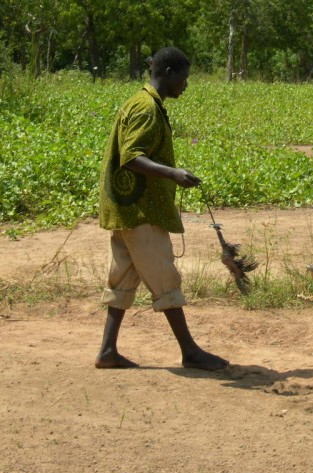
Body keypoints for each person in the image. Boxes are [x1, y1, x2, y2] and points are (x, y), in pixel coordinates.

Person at [95, 47, 229, 371]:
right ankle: (190, 351)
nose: (186, 84)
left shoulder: (143, 102)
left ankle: (107, 351)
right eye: (184, 78)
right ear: (168, 73)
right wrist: (173, 173)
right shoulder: (146, 109)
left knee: (123, 278)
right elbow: (131, 156)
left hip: (126, 207)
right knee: (165, 277)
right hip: (141, 210)